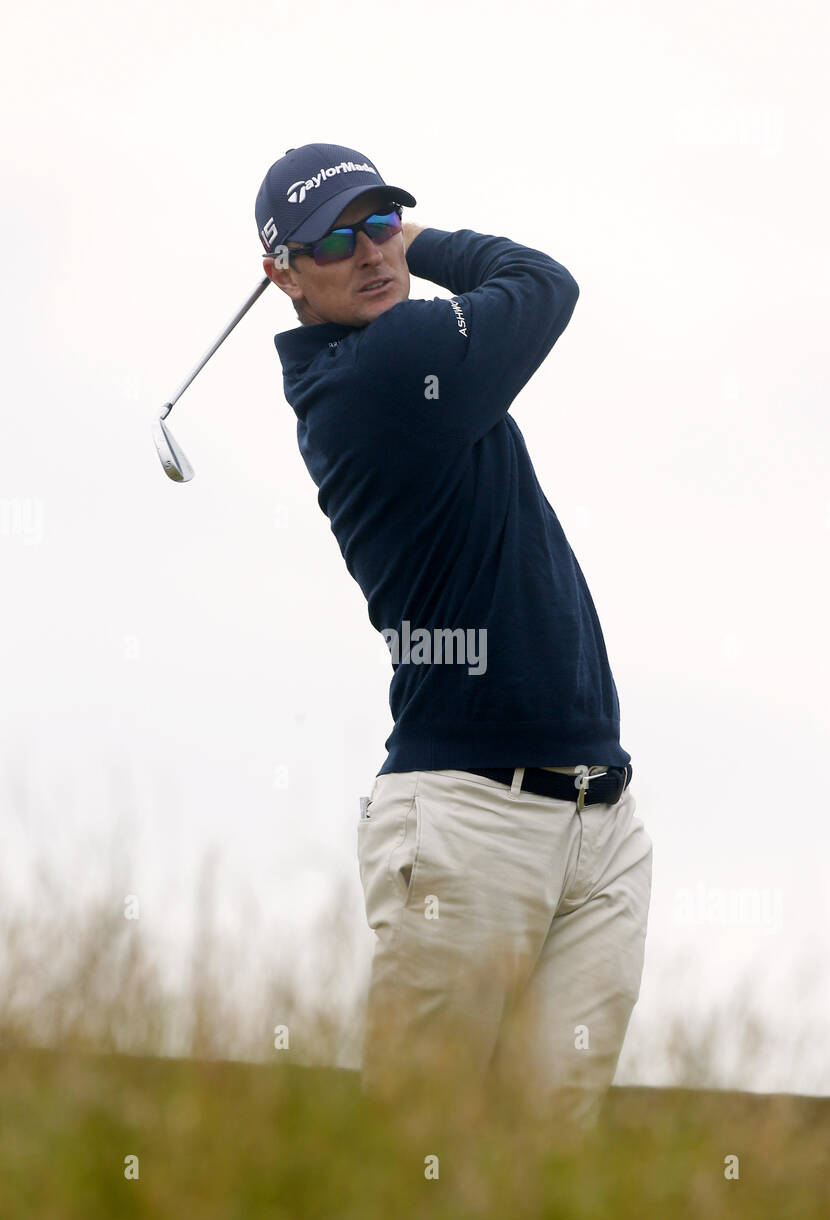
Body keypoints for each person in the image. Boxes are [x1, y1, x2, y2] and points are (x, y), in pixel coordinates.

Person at [256, 142, 653, 1129]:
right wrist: (424, 241)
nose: (371, 252)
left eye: (382, 220)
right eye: (336, 239)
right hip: (465, 822)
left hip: (599, 816)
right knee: (418, 1147)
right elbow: (542, 282)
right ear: (281, 273)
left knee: (549, 1159)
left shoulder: (402, 351)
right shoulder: (388, 370)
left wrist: (384, 238)